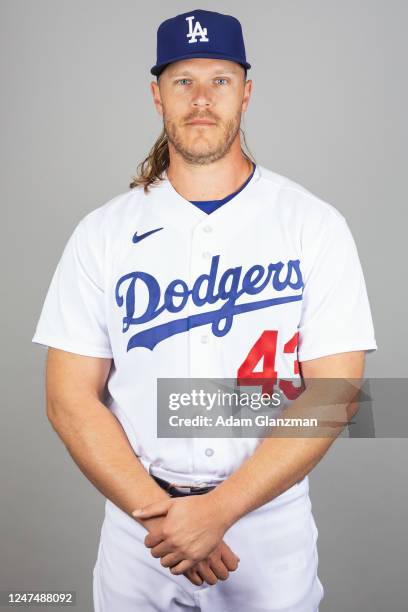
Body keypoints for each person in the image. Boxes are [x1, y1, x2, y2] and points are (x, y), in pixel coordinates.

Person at [32, 8, 377, 611]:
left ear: (246, 92)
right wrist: (166, 517)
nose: (200, 98)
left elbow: (336, 391)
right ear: (156, 95)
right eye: (182, 80)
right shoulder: (103, 233)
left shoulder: (312, 224)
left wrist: (218, 511)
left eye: (218, 80)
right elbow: (68, 397)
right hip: (141, 529)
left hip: (268, 528)